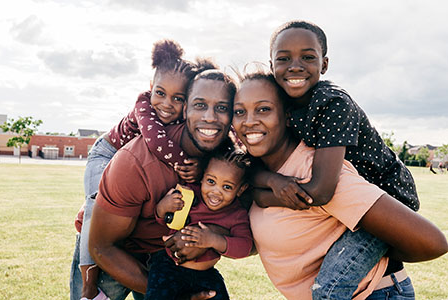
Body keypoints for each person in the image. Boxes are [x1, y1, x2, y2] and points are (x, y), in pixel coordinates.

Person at [231, 72, 448, 300]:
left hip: (373, 294)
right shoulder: (259, 171)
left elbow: (432, 242)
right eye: (239, 111)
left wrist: (366, 257)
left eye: (263, 109)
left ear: (287, 115)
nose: (249, 120)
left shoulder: (314, 171)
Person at [253, 20, 421, 299]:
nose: (295, 66)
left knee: (328, 290)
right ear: (271, 66)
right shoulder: (287, 107)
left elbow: (321, 190)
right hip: (358, 206)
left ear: (325, 64)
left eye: (308, 57)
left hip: (388, 202)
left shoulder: (332, 104)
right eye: (284, 59)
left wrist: (266, 196)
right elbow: (256, 167)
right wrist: (271, 180)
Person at [70, 39, 207, 300]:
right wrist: (186, 164)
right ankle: (89, 279)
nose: (166, 103)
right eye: (160, 93)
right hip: (107, 152)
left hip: (149, 239)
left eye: (178, 98)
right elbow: (156, 144)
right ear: (150, 89)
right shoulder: (144, 106)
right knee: (94, 205)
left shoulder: (181, 121)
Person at [87, 68, 238, 299]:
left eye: (222, 108)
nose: (210, 117)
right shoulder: (135, 161)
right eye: (200, 105)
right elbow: (102, 247)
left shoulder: (228, 164)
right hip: (119, 254)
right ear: (185, 109)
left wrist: (208, 235)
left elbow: (249, 230)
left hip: (167, 259)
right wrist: (168, 294)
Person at [145, 147, 252, 300]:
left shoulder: (237, 214)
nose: (216, 191)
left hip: (206, 274)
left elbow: (244, 247)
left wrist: (212, 240)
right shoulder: (190, 194)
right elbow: (164, 221)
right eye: (211, 181)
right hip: (168, 266)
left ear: (241, 189)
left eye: (227, 187)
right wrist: (162, 208)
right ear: (202, 177)